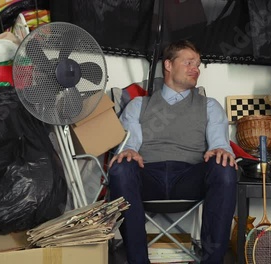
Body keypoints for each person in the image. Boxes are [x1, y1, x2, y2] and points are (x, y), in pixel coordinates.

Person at [108, 40, 238, 264]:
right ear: (168, 65)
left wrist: (221, 150)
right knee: (120, 167)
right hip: (147, 177)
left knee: (224, 166)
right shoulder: (139, 105)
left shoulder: (209, 106)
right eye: (189, 62)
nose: (195, 69)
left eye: (198, 65)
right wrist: (128, 151)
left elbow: (219, 143)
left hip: (190, 178)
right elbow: (131, 143)